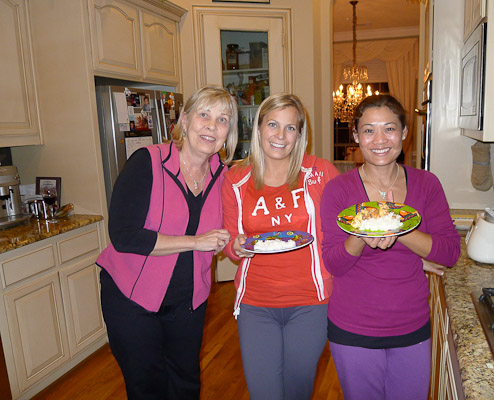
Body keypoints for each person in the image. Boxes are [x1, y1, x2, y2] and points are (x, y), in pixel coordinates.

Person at [96, 86, 238, 400]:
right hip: (132, 298)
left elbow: (229, 228)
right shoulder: (147, 162)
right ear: (184, 121)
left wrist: (227, 241)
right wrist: (196, 242)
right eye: (204, 115)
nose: (211, 126)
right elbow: (123, 234)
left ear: (229, 133)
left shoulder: (224, 177)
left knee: (186, 384)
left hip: (188, 300)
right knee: (147, 387)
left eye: (222, 119)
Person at [320, 94, 461, 400]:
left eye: (389, 128)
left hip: (411, 325)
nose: (380, 140)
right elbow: (334, 263)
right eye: (369, 130)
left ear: (404, 132)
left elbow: (449, 253)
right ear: (356, 136)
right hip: (353, 327)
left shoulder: (427, 184)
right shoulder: (338, 189)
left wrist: (395, 227)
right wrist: (361, 233)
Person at [221, 93, 339, 400]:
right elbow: (231, 241)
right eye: (273, 124)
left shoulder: (320, 172)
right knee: (264, 392)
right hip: (256, 304)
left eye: (290, 128)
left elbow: (343, 229)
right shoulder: (235, 179)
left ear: (300, 134)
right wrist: (236, 246)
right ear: (259, 127)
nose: (281, 135)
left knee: (298, 388)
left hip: (312, 301)